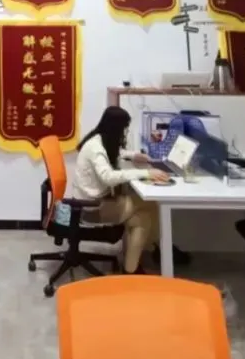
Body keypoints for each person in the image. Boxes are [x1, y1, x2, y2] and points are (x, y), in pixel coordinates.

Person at [70, 105, 170, 274]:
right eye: (124, 129)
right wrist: (146, 172)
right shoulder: (96, 148)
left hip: (93, 203)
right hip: (92, 208)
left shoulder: (98, 140)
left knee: (141, 219)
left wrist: (134, 155)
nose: (125, 133)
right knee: (151, 205)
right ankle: (159, 250)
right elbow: (108, 177)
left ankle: (134, 266)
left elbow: (117, 153)